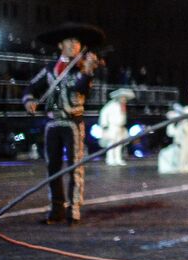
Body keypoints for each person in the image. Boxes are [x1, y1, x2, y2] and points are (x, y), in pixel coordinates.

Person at [22, 24, 104, 225]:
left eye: (77, 42)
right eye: (70, 41)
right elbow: (31, 87)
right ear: (60, 45)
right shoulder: (49, 69)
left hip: (72, 123)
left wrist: (88, 71)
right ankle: (56, 209)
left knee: (75, 166)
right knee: (53, 167)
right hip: (52, 123)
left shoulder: (82, 67)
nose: (74, 45)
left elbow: (81, 88)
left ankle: (74, 208)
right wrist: (29, 101)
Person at [99, 88, 135, 166]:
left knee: (119, 144)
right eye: (123, 98)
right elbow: (104, 113)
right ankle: (110, 159)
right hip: (112, 127)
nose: (124, 99)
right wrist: (104, 124)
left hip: (120, 127)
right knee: (111, 143)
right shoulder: (111, 105)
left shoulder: (122, 106)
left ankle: (118, 159)